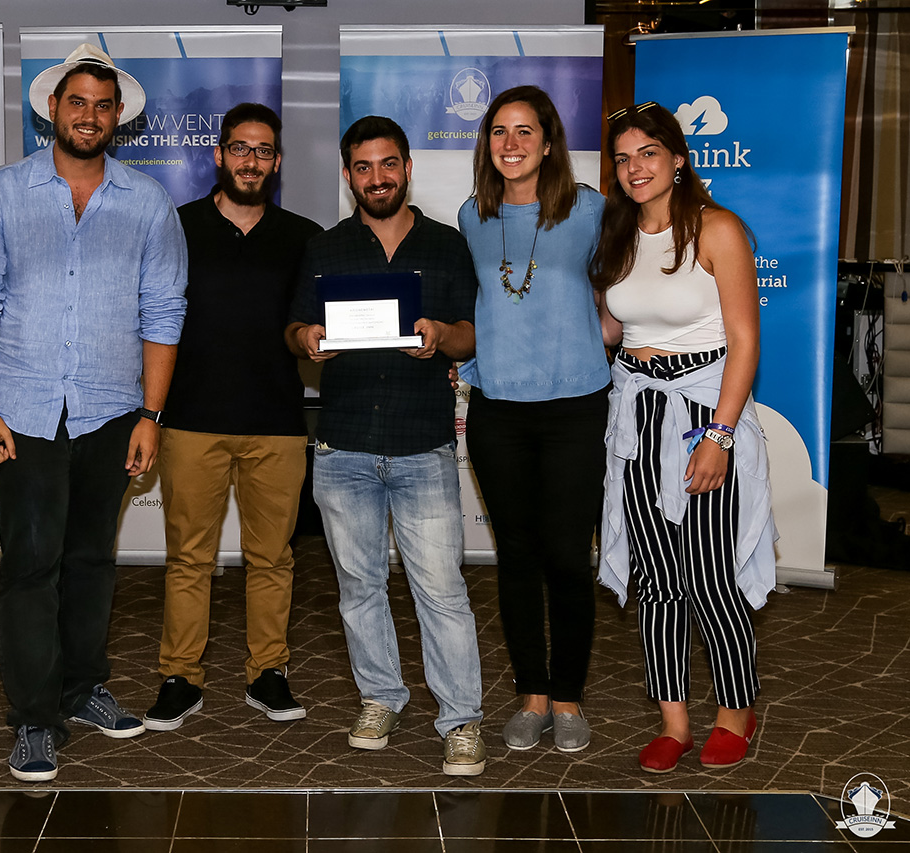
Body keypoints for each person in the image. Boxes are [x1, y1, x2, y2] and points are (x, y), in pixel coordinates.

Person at [0, 43, 188, 782]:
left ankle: (83, 688)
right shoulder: (1, 194)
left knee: (91, 560)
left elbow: (164, 311)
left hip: (113, 410)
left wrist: (152, 414)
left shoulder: (147, 202)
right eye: (77, 102)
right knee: (31, 565)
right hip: (21, 412)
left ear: (118, 118)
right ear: (51, 108)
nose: (89, 115)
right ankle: (33, 717)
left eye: (103, 105)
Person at [286, 115, 486, 776]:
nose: (378, 177)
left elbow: (471, 333)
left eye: (388, 163)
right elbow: (294, 327)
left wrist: (442, 336)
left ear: (407, 167)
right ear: (349, 176)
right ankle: (380, 697)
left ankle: (460, 717)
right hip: (343, 445)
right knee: (359, 587)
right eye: (364, 167)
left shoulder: (447, 245)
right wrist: (306, 340)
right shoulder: (326, 248)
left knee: (442, 589)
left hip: (422, 443)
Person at [590, 102, 777, 773]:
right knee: (657, 577)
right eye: (622, 158)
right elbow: (612, 331)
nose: (635, 168)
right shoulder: (616, 235)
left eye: (648, 153)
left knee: (709, 573)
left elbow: (745, 341)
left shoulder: (716, 228)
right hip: (638, 413)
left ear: (677, 158)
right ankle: (674, 722)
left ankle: (735, 711)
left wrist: (720, 436)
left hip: (704, 409)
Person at [142, 104, 322, 732]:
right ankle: (180, 677)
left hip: (278, 422)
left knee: (273, 559)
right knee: (189, 559)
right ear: (218, 155)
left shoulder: (303, 236)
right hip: (191, 420)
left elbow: (314, 324)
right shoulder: (177, 226)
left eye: (263, 150)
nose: (252, 160)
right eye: (241, 148)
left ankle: (268, 672)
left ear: (277, 161)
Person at [456, 86, 610, 754]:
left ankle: (569, 698)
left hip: (575, 408)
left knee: (568, 559)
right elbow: (477, 303)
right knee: (516, 558)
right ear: (486, 143)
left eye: (525, 131)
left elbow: (618, 285)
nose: (511, 143)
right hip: (499, 412)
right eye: (499, 131)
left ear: (549, 143)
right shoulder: (472, 215)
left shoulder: (591, 209)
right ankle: (533, 694)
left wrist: (604, 335)